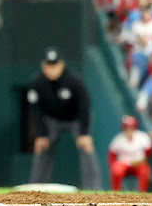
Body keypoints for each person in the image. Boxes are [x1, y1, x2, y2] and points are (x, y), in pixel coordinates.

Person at [26, 47, 102, 190]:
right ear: (43, 66)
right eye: (48, 65)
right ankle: (35, 188)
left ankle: (93, 188)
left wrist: (84, 133)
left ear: (61, 64)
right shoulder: (38, 83)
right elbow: (35, 111)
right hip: (52, 120)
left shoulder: (74, 80)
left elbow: (85, 106)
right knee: (43, 148)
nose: (51, 69)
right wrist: (42, 134)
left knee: (86, 148)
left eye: (54, 65)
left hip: (75, 119)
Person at [108, 115, 152, 192]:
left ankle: (143, 193)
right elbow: (112, 156)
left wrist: (143, 160)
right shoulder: (118, 139)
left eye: (131, 128)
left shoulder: (142, 137)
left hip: (138, 163)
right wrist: (115, 165)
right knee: (116, 169)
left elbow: (149, 152)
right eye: (126, 128)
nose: (129, 130)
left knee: (144, 171)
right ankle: (116, 192)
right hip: (123, 163)